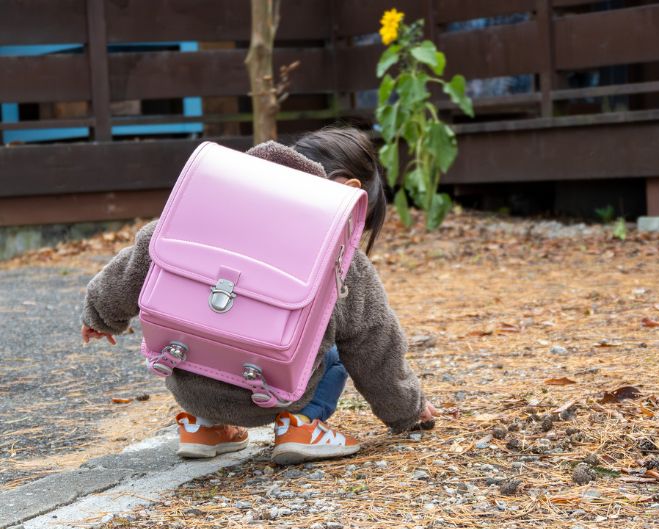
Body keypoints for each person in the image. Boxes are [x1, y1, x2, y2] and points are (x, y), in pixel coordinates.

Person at [81, 127, 438, 464]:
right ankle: (302, 426)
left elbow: (143, 253)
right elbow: (377, 348)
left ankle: (203, 428)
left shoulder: (210, 210)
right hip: (272, 395)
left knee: (207, 319)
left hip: (188, 380)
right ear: (346, 189)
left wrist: (99, 315)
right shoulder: (343, 260)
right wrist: (408, 411)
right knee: (342, 346)